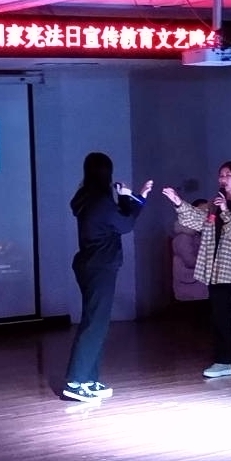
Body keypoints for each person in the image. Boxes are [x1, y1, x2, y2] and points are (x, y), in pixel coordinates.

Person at [162, 161, 231, 379]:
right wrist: (178, 202)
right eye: (221, 175)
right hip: (216, 269)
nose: (223, 179)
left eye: (228, 175)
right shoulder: (213, 205)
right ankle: (222, 361)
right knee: (219, 317)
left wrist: (225, 210)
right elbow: (198, 220)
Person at [62, 152, 153, 403]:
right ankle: (75, 381)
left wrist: (131, 198)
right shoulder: (101, 201)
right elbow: (125, 225)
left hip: (90, 265)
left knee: (96, 322)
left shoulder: (85, 198)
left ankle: (89, 379)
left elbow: (118, 220)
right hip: (100, 267)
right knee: (95, 324)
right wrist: (135, 198)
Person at [172, 198, 210, 302]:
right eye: (201, 211)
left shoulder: (199, 234)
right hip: (189, 284)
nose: (205, 215)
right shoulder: (184, 236)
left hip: (197, 283)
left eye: (207, 212)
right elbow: (190, 261)